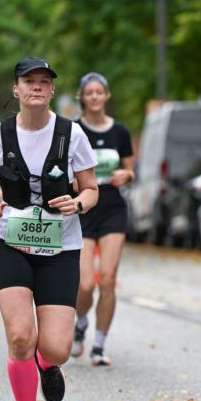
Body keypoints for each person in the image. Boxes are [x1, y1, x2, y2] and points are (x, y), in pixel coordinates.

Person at [0, 57, 98, 401]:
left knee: (56, 347)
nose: (37, 87)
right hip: (9, 242)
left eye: (45, 82)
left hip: (61, 246)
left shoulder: (71, 134)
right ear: (17, 89)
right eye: (30, 82)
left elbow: (92, 189)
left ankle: (48, 365)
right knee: (20, 336)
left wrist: (77, 204)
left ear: (52, 91)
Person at [72, 73, 135, 366]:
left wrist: (127, 174)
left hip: (112, 208)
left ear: (107, 96)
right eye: (89, 93)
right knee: (85, 285)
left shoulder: (120, 132)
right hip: (84, 209)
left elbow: (130, 170)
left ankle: (99, 345)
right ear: (82, 97)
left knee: (108, 280)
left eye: (100, 92)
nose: (95, 97)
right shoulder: (72, 131)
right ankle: (80, 321)